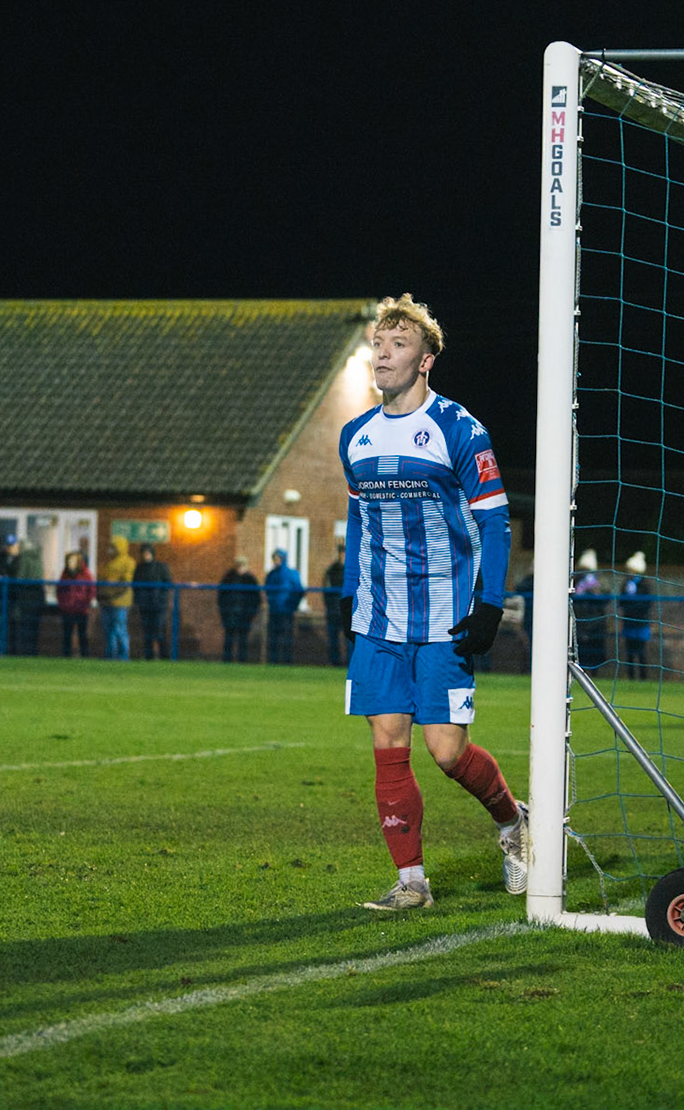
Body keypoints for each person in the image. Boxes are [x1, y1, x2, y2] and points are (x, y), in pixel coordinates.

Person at [339, 294, 526, 911]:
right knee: (387, 745)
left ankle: (514, 822)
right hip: (379, 617)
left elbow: (494, 520)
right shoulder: (355, 437)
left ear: (425, 360)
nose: (382, 355)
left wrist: (490, 603)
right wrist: (349, 591)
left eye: (398, 345)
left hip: (446, 614)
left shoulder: (459, 429)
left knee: (447, 753)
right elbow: (358, 518)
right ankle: (412, 882)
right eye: (378, 345)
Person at [263, 547, 303, 665]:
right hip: (274, 611)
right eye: (274, 558)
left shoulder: (291, 574)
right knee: (273, 639)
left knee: (286, 639)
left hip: (286, 612)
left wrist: (292, 606)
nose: (276, 561)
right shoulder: (271, 574)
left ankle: (286, 662)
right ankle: (273, 662)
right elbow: (267, 590)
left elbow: (299, 591)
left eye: (278, 558)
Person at [132, 542, 172, 660]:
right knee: (147, 632)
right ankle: (149, 656)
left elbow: (168, 583)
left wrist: (160, 597)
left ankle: (164, 656)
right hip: (145, 605)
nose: (146, 555)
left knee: (160, 631)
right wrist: (139, 599)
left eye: (148, 553)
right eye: (144, 553)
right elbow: (135, 585)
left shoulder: (160, 567)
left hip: (159, 605)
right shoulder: (139, 568)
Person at [617, 551, 654, 679]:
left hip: (641, 622)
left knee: (641, 650)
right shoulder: (626, 585)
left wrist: (633, 605)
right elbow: (621, 602)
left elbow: (647, 604)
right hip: (629, 621)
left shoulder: (644, 585)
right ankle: (631, 676)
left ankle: (643, 676)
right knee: (630, 651)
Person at [217, 555, 260, 662]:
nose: (240, 568)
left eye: (242, 565)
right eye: (238, 565)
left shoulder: (250, 579)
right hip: (230, 613)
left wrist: (251, 614)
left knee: (243, 638)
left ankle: (242, 660)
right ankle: (227, 660)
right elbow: (221, 597)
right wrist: (224, 612)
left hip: (244, 614)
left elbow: (256, 599)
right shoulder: (228, 578)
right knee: (229, 637)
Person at [98, 535, 135, 660]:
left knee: (119, 629)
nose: (110, 550)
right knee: (108, 630)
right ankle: (111, 655)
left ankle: (123, 655)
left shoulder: (128, 562)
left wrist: (112, 585)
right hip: (107, 601)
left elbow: (126, 581)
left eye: (113, 547)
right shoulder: (109, 563)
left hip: (121, 602)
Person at [572, 549, 609, 674]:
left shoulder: (599, 581)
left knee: (595, 648)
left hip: (595, 621)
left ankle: (594, 672)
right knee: (580, 648)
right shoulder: (575, 580)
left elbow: (606, 597)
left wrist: (596, 592)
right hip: (579, 620)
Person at [0, 533, 21, 653]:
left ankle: (12, 652)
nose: (9, 548)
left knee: (13, 626)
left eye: (12, 545)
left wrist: (8, 577)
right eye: (8, 545)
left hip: (14, 598)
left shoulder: (21, 560)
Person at [55, 548, 95, 657]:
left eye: (73, 561)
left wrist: (85, 603)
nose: (70, 563)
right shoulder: (65, 574)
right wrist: (62, 603)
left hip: (81, 609)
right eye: (69, 561)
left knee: (82, 635)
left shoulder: (86, 573)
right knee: (67, 635)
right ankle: (66, 656)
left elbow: (91, 590)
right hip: (67, 609)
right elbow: (60, 590)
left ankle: (85, 656)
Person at [322, 543, 348, 666]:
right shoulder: (332, 570)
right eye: (341, 553)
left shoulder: (352, 569)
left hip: (347, 608)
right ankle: (335, 662)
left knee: (349, 638)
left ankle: (349, 661)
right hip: (334, 608)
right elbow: (326, 589)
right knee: (333, 638)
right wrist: (329, 605)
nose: (342, 555)